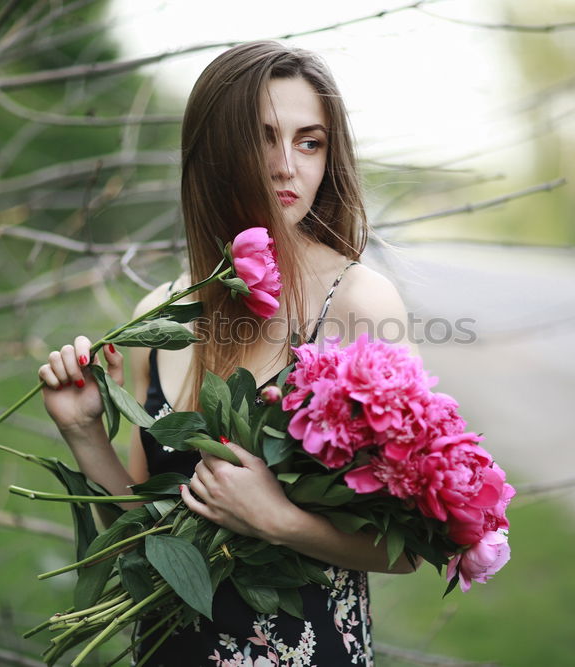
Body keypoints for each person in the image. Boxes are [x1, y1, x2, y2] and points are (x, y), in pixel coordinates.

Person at [38, 40, 418, 666]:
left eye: (309, 142)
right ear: (214, 152)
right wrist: (84, 433)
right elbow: (146, 535)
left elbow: (405, 549)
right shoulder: (159, 314)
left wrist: (278, 519)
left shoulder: (358, 304)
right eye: (263, 138)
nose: (286, 166)